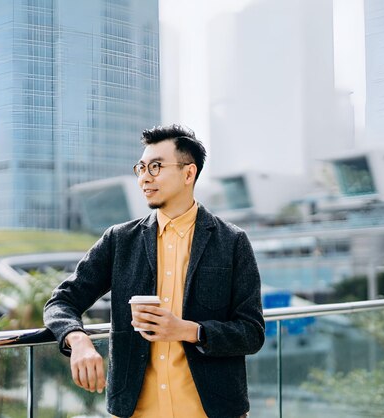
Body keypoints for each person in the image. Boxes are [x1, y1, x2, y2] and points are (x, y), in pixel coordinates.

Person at [43, 124, 265, 418]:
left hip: (213, 410)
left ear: (189, 173)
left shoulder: (232, 241)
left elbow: (252, 333)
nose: (145, 178)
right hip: (136, 410)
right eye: (141, 168)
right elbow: (61, 302)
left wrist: (188, 330)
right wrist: (78, 339)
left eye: (156, 167)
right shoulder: (120, 240)